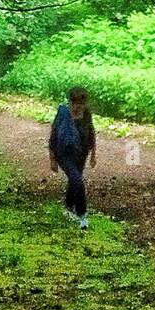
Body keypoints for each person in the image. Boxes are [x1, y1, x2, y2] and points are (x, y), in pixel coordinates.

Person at [49, 86, 97, 229]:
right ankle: (82, 215)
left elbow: (91, 133)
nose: (79, 107)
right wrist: (52, 159)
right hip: (64, 153)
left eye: (82, 104)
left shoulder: (87, 114)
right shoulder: (63, 113)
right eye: (76, 104)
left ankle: (69, 207)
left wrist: (93, 154)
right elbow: (53, 135)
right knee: (78, 181)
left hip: (81, 153)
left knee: (73, 180)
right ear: (70, 102)